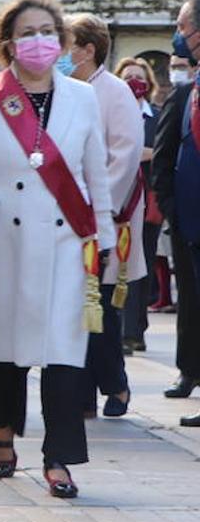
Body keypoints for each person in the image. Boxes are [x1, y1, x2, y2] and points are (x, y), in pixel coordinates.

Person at [0, 0, 114, 499]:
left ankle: (58, 455)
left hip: (66, 241)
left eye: (47, 32)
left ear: (60, 42)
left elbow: (95, 176)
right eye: (26, 34)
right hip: (3, 238)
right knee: (3, 346)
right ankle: (2, 430)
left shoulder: (83, 97)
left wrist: (102, 239)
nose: (38, 42)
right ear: (8, 44)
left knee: (63, 350)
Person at [58, 13, 143, 419]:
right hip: (64, 217)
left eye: (67, 43)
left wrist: (94, 207)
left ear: (88, 50)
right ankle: (83, 388)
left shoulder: (115, 92)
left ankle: (115, 384)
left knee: (101, 308)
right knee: (73, 309)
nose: (59, 51)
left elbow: (123, 156)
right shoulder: (64, 89)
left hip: (102, 217)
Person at [152, 0, 200, 426]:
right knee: (192, 301)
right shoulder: (185, 96)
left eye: (183, 27)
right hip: (189, 222)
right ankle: (190, 370)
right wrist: (173, 209)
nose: (178, 36)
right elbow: (163, 161)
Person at [115, 57, 161, 354]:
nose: (134, 81)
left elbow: (161, 150)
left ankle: (135, 329)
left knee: (140, 264)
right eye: (128, 76)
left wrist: (146, 153)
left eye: (139, 77)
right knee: (117, 264)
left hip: (148, 201)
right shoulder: (112, 112)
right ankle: (121, 327)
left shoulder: (156, 115)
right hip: (118, 196)